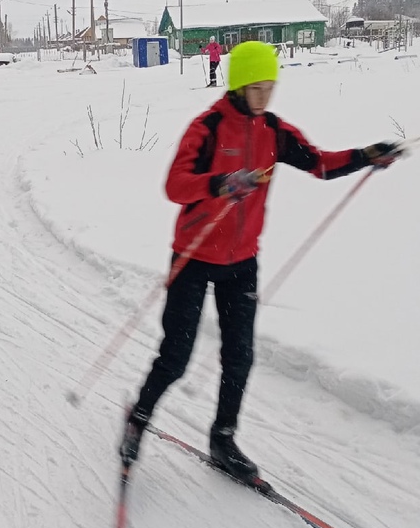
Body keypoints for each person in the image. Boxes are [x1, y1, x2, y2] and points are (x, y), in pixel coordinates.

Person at [119, 40, 403, 479]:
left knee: (240, 356)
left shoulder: (275, 131)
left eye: (271, 87)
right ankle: (137, 419)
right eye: (256, 87)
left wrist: (366, 156)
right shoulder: (208, 127)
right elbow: (175, 186)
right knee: (176, 355)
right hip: (194, 255)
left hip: (241, 261)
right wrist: (220, 184)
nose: (264, 96)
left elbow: (320, 164)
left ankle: (223, 439)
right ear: (237, 85)